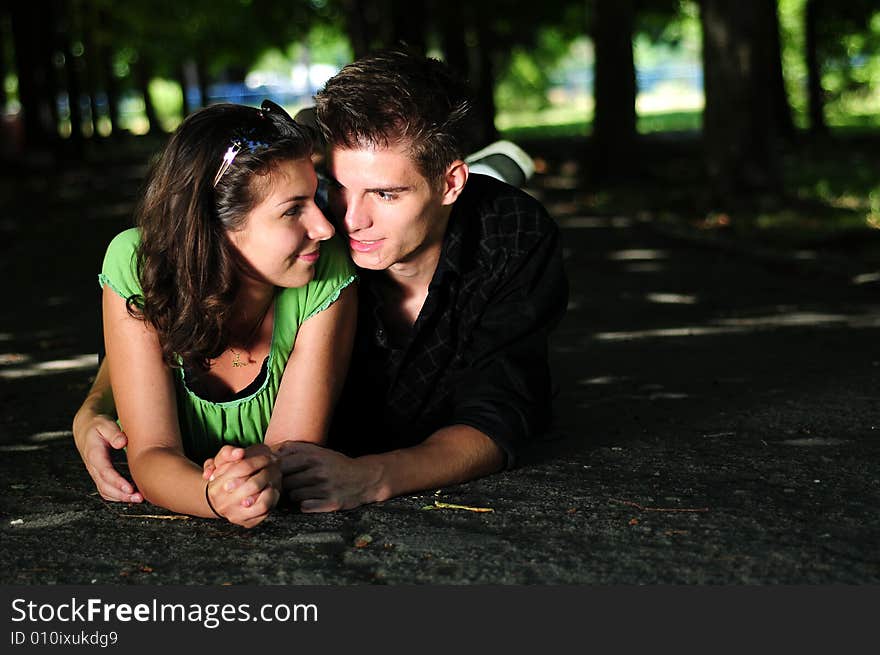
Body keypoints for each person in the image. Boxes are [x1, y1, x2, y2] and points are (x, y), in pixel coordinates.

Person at [74, 50, 567, 514]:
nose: (348, 221)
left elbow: (501, 412)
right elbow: (173, 294)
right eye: (336, 185)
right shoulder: (310, 237)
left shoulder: (513, 236)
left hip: (427, 423)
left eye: (386, 194)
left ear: (448, 184)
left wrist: (373, 478)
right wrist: (99, 400)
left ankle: (485, 177)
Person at [80, 99, 357, 527]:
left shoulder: (326, 265)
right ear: (214, 223)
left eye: (315, 197)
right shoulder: (135, 262)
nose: (324, 227)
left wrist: (253, 478)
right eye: (292, 210)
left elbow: (290, 448)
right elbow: (152, 451)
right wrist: (215, 497)